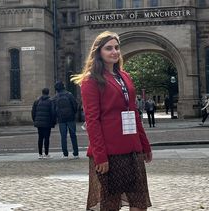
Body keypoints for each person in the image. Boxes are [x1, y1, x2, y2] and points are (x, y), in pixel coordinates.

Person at [71, 31, 152, 211]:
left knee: (139, 202)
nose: (114, 52)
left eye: (116, 47)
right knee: (110, 204)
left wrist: (145, 145)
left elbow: (134, 113)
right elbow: (92, 120)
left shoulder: (125, 77)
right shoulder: (91, 81)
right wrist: (100, 155)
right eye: (109, 48)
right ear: (98, 52)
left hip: (132, 147)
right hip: (110, 151)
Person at [54, 81, 79, 159]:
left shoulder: (56, 97)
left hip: (61, 119)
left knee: (63, 137)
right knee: (73, 135)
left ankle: (65, 154)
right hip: (70, 117)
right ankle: (76, 153)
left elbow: (54, 108)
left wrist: (57, 116)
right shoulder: (69, 95)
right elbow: (75, 105)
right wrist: (73, 113)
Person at [31, 88, 56, 159]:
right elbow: (53, 112)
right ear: (48, 93)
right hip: (47, 123)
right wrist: (53, 122)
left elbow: (33, 112)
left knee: (40, 138)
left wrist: (35, 120)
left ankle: (40, 154)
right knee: (46, 138)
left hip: (39, 123)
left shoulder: (37, 101)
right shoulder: (50, 101)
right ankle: (46, 153)